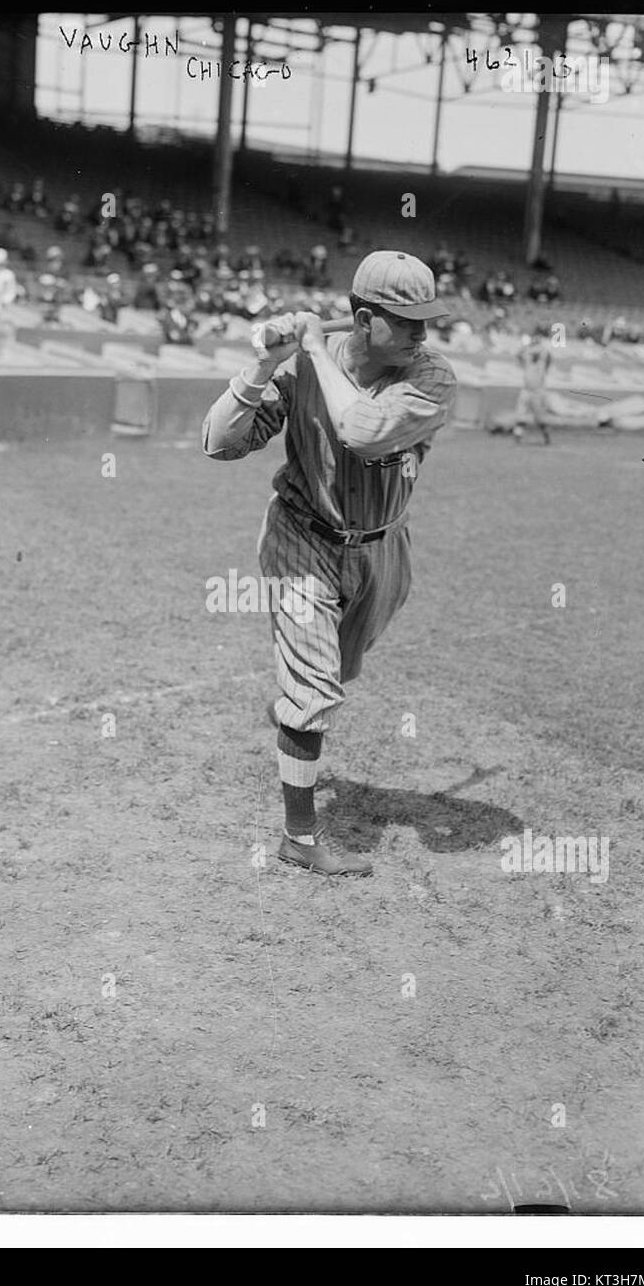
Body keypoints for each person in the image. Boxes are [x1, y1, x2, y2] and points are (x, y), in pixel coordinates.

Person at [202, 251, 457, 876]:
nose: (422, 334)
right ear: (364, 320)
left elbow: (363, 430)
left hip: (382, 550)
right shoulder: (303, 372)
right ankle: (300, 837)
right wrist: (263, 364)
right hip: (301, 539)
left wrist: (313, 348)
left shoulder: (432, 380)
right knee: (315, 690)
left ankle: (297, 702)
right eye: (407, 321)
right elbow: (218, 443)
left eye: (426, 320)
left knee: (337, 673)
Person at [514, 332, 552, 445]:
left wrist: (535, 347)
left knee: (540, 417)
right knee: (521, 413)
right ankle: (518, 434)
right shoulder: (528, 358)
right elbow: (519, 355)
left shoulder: (543, 358)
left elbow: (548, 357)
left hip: (538, 391)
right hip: (526, 389)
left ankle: (546, 434)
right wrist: (527, 346)